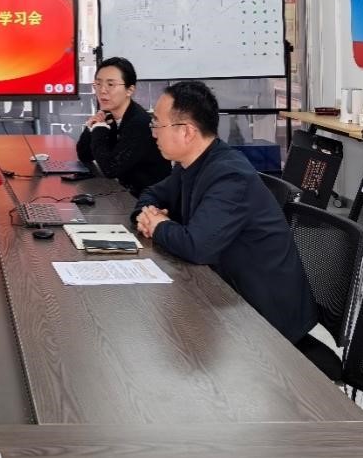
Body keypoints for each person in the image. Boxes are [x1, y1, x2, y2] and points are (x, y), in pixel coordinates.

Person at [131, 80, 317, 343]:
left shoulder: (229, 175)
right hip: (226, 294)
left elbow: (197, 247)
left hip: (265, 320)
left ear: (187, 131)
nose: (153, 134)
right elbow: (152, 193)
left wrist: (158, 225)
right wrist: (147, 215)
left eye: (157, 125)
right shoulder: (191, 164)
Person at [76, 56, 169, 195]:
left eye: (110, 84)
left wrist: (99, 129)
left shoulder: (139, 123)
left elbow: (110, 168)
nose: (102, 90)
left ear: (129, 90)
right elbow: (84, 155)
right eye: (98, 84)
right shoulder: (108, 116)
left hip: (148, 200)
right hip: (124, 194)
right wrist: (91, 128)